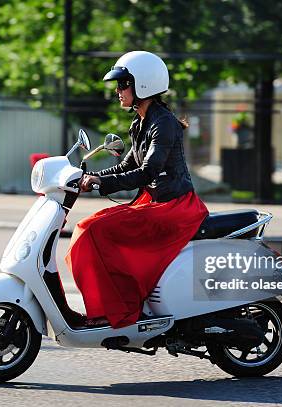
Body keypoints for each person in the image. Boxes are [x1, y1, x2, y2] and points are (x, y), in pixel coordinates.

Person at [64, 51, 209, 328]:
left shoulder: (163, 123)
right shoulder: (141, 122)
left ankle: (121, 311)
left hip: (174, 208)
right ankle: (114, 307)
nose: (118, 91)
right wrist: (89, 177)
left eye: (123, 84)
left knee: (91, 230)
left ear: (143, 84)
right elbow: (124, 166)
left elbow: (147, 172)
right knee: (91, 227)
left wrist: (100, 183)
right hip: (155, 202)